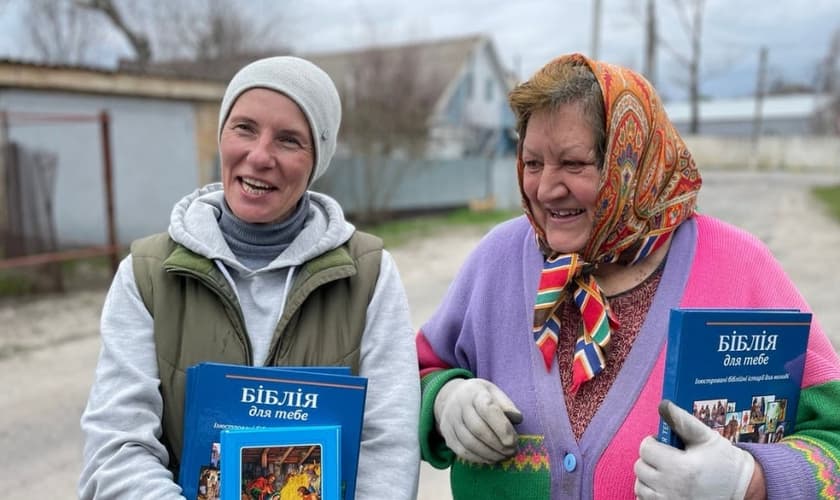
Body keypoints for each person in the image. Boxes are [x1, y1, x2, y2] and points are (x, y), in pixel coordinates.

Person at [416, 52, 840, 499]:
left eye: (574, 164)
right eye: (533, 162)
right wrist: (443, 400)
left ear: (631, 162)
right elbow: (415, 374)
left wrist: (751, 482)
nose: (544, 189)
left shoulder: (741, 268)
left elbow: (834, 441)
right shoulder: (497, 260)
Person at [78, 56, 420, 499]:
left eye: (289, 140)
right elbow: (117, 444)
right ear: (221, 136)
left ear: (316, 160)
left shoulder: (368, 275)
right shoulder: (147, 275)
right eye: (244, 128)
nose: (259, 156)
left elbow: (388, 445)